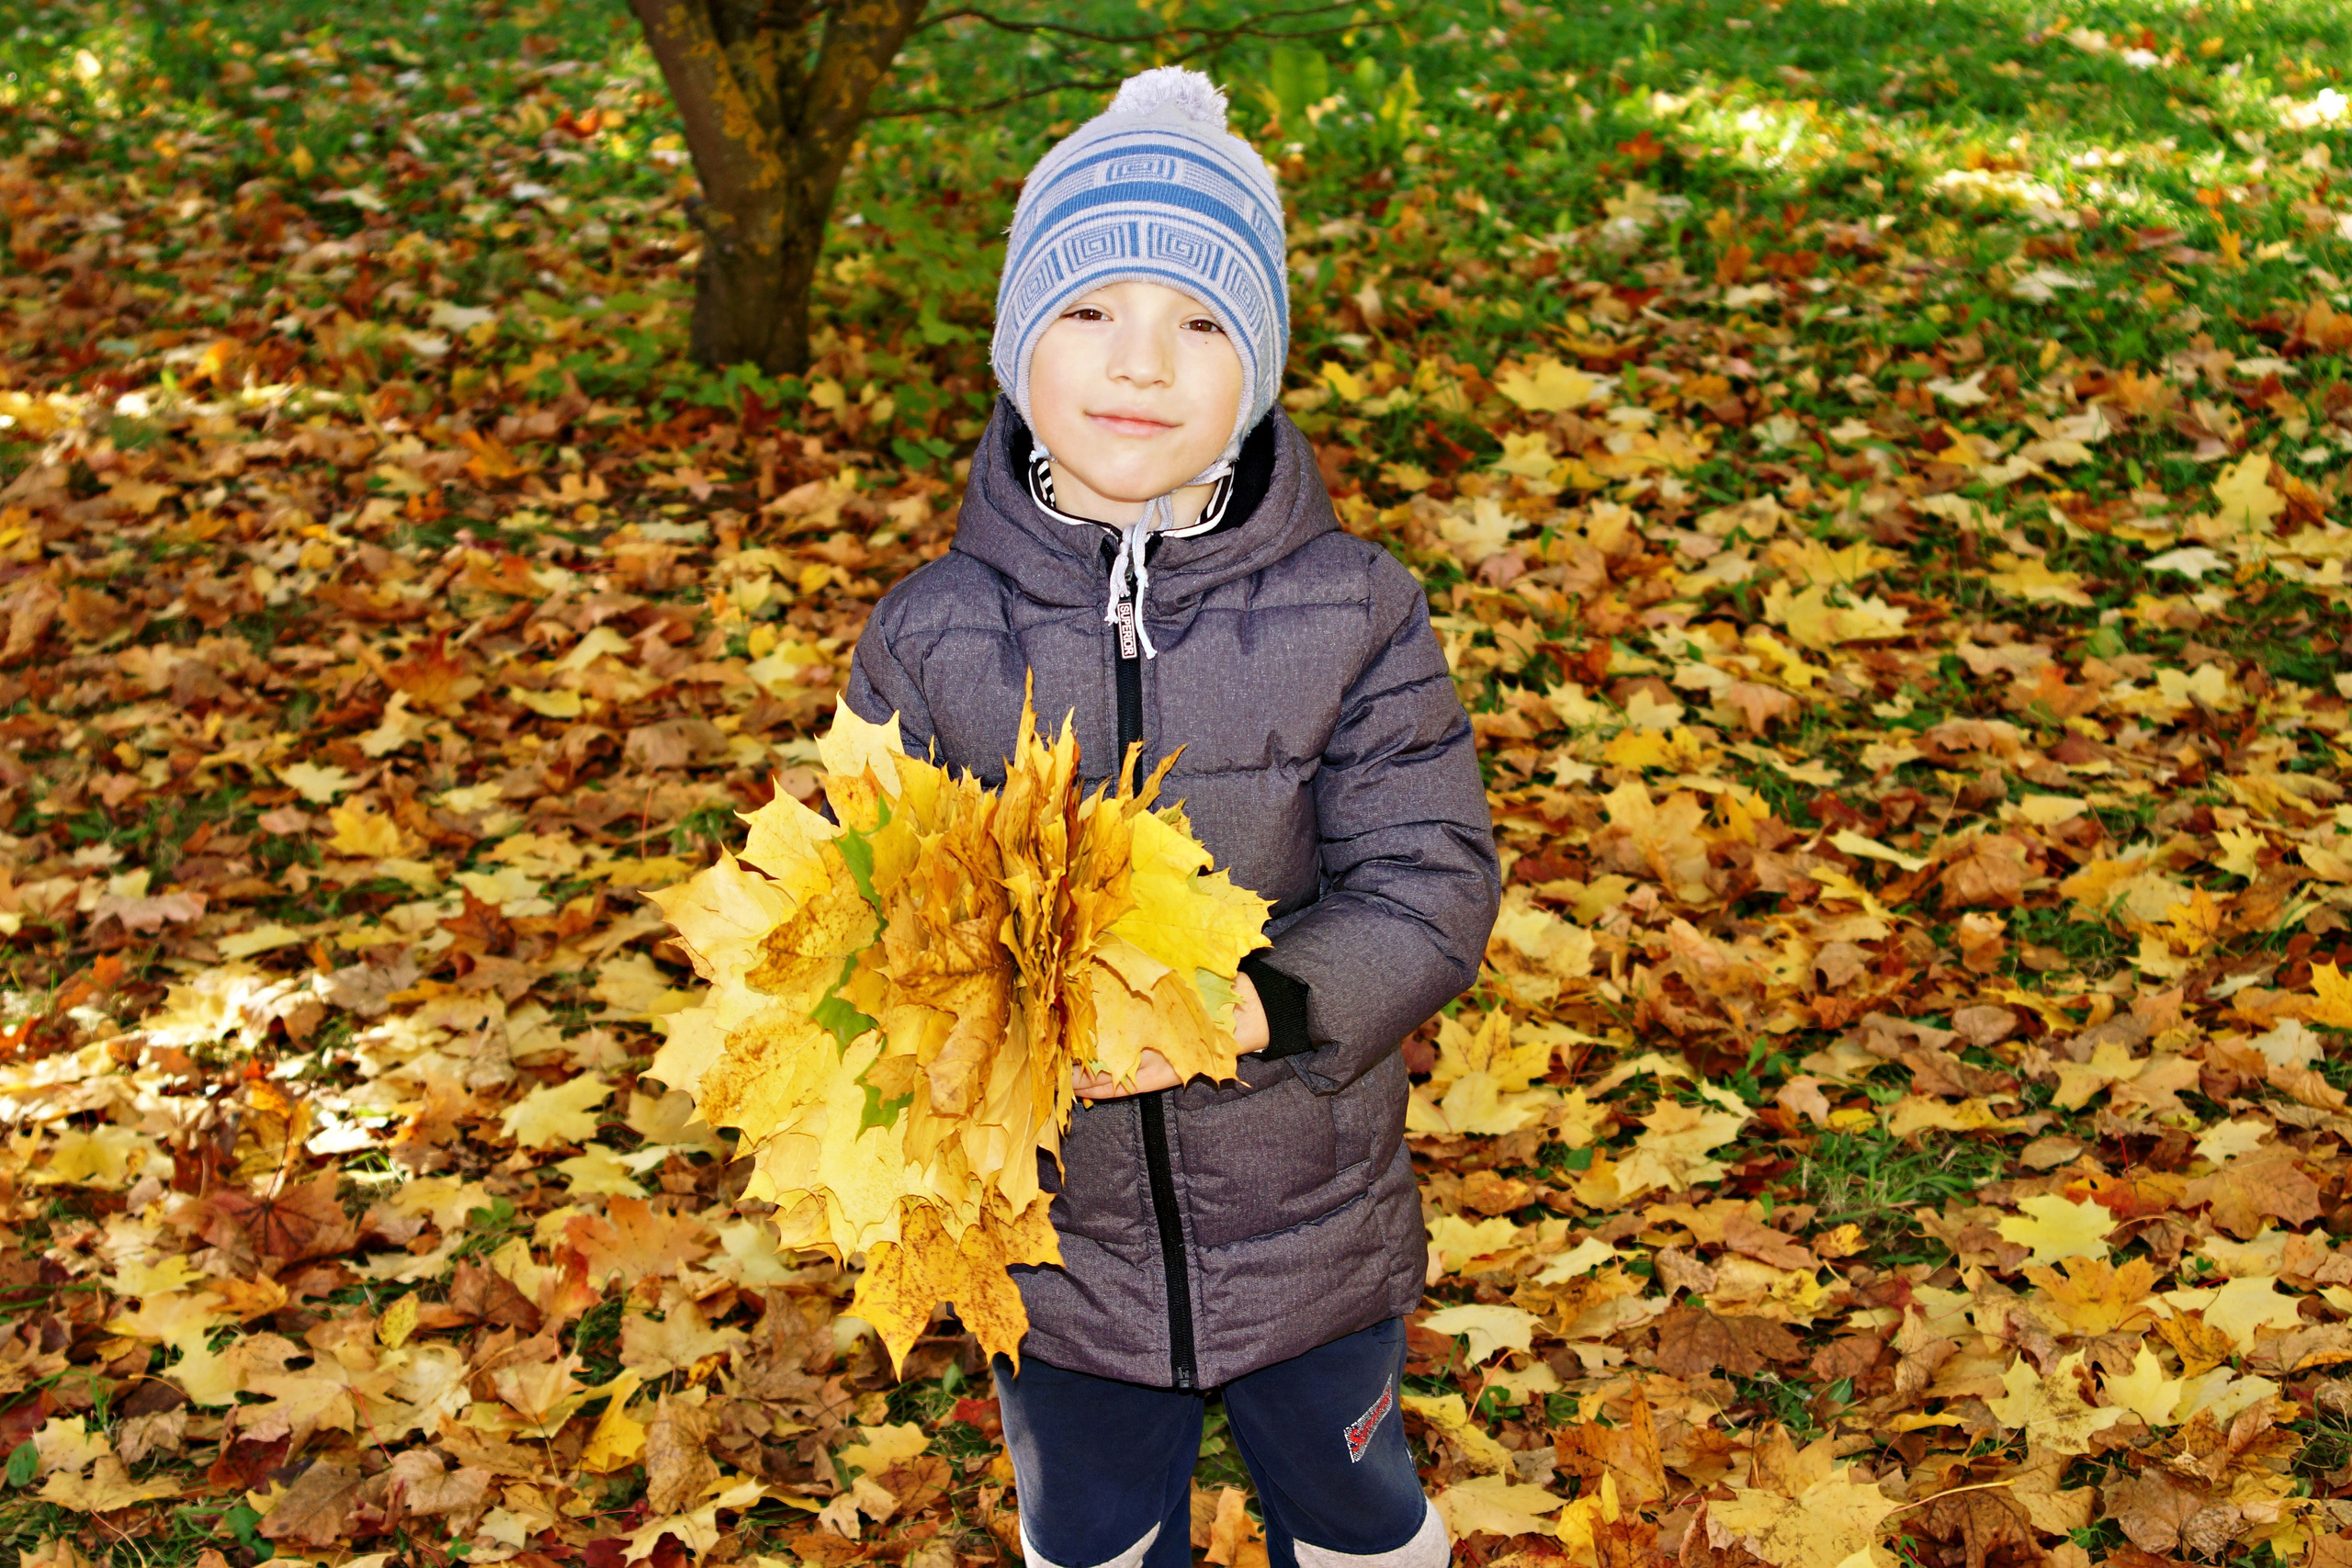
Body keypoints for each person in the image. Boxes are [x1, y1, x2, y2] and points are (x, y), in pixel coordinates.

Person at [844, 65, 1498, 1568]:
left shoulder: (1357, 612)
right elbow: (872, 912)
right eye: (1088, 312)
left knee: (1350, 1511)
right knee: (1087, 1536)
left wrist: (1255, 1006)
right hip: (1054, 1246)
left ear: (1258, 369)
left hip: (1308, 1223)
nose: (1140, 364)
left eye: (1200, 324)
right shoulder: (932, 635)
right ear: (1017, 348)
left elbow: (1429, 881)